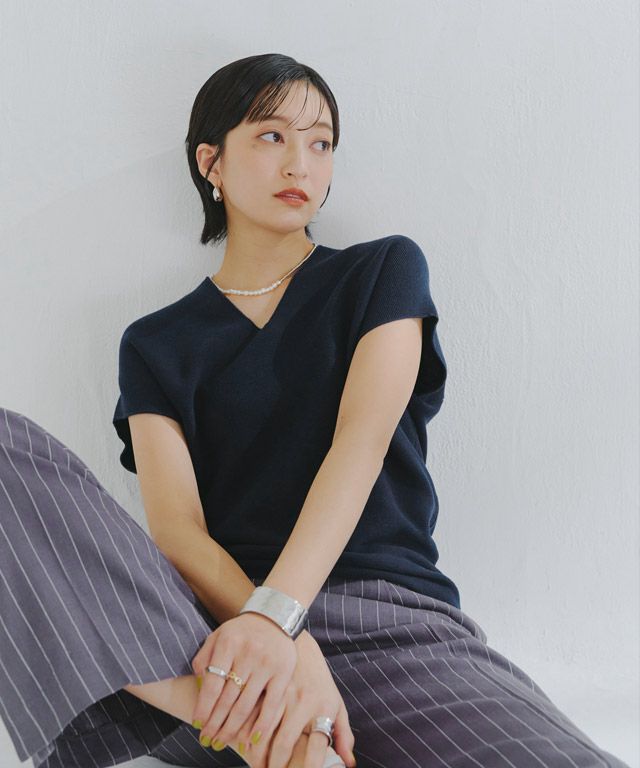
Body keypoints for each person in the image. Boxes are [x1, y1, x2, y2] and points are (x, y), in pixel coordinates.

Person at [0, 53, 630, 768]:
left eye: (321, 142)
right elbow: (177, 532)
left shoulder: (381, 272)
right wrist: (276, 639)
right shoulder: (155, 343)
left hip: (389, 632)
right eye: (271, 136)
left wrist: (283, 618)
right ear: (211, 161)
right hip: (211, 652)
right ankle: (283, 737)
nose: (300, 163)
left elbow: (360, 444)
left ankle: (293, 745)